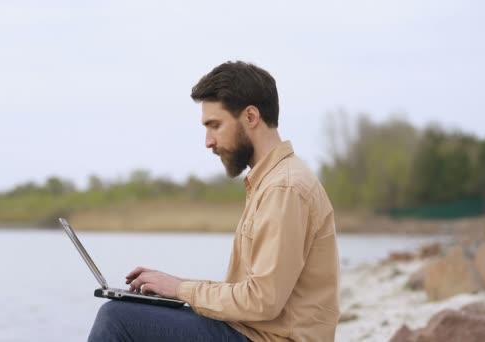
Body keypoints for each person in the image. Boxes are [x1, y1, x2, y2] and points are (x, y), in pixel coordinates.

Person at [88, 61, 340, 342]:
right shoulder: (271, 182)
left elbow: (263, 300)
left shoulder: (285, 188)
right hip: (251, 332)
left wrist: (181, 289)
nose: (208, 141)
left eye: (215, 125)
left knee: (116, 318)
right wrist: (176, 287)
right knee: (130, 310)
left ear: (251, 117)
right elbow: (255, 294)